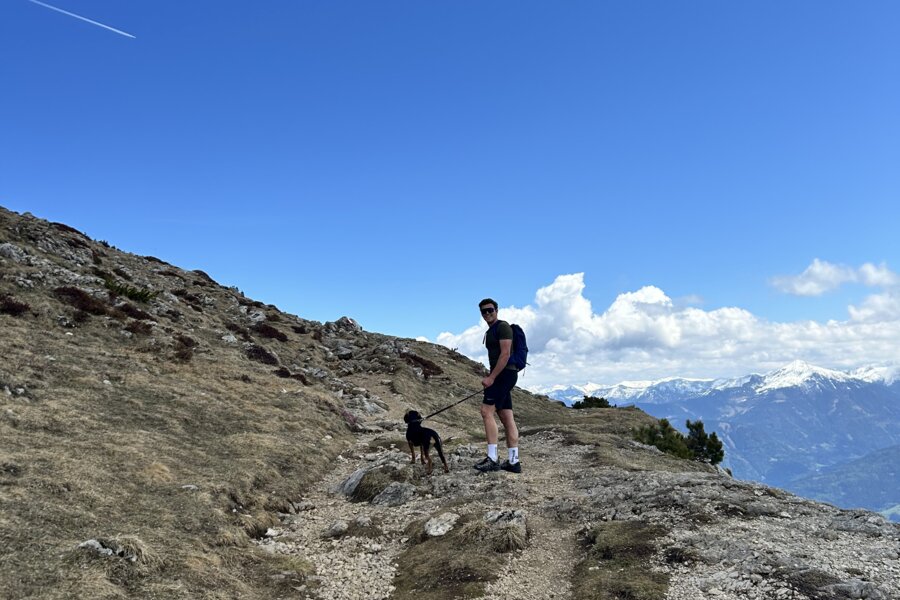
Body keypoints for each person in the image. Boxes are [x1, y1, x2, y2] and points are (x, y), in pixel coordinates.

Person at [473, 298, 522, 474]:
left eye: (490, 310)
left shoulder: (502, 327)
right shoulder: (492, 330)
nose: (487, 314)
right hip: (504, 375)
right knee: (506, 415)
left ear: (496, 310)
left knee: (486, 412)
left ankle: (493, 459)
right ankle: (514, 461)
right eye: (483, 311)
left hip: (504, 375)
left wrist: (492, 377)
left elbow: (506, 354)